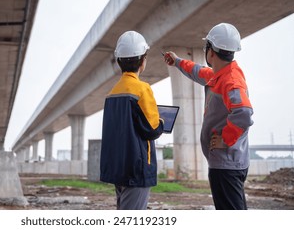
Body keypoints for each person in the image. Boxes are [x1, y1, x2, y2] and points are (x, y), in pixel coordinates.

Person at [163, 23, 254, 210]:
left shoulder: (231, 81)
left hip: (226, 165)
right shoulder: (219, 75)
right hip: (226, 163)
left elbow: (244, 113)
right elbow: (197, 71)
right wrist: (178, 61)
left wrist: (226, 139)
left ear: (210, 51)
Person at [100, 30, 165, 210]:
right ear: (143, 61)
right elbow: (151, 128)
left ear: (119, 61)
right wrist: (162, 123)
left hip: (118, 168)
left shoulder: (112, 92)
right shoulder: (142, 89)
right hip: (136, 169)